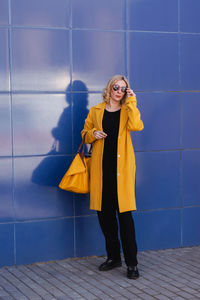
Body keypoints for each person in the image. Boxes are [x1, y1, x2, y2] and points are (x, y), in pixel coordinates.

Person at [81, 75, 144, 279]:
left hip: (122, 172)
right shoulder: (96, 110)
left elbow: (136, 126)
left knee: (125, 220)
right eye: (116, 87)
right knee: (106, 219)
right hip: (101, 172)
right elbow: (84, 133)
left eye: (124, 89)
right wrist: (93, 134)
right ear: (109, 88)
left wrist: (132, 101)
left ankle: (132, 264)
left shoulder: (127, 110)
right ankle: (113, 257)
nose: (119, 91)